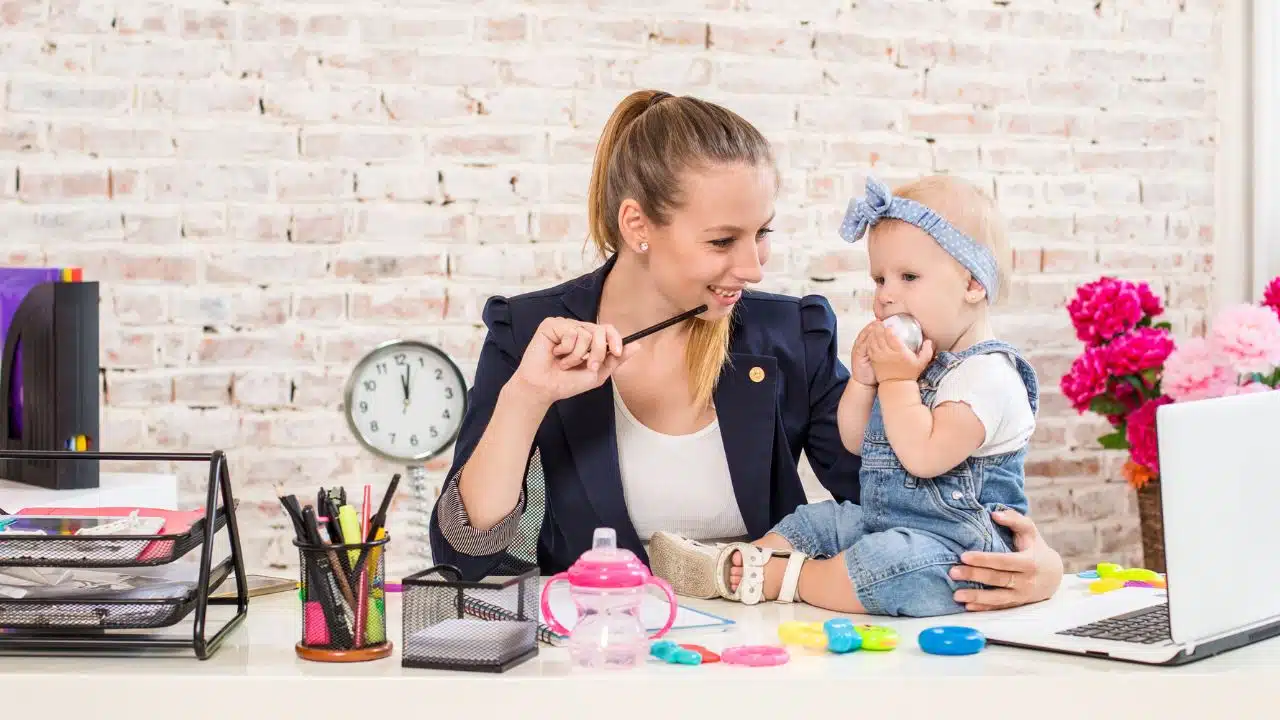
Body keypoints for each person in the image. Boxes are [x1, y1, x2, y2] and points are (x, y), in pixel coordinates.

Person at [427, 89, 1064, 613]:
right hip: (603, 659)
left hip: (765, 660)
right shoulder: (534, 331)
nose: (753, 268)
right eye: (723, 240)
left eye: (761, 234)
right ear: (638, 226)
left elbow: (891, 495)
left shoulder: (789, 335)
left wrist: (1038, 566)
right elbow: (466, 554)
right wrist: (528, 397)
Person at [648, 174, 1049, 617]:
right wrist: (863, 382)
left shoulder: (988, 375)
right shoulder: (918, 365)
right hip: (889, 520)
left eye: (908, 277)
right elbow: (858, 443)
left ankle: (778, 579)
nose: (885, 298)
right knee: (817, 520)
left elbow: (924, 457)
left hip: (958, 547)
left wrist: (896, 382)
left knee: (886, 566)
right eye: (879, 279)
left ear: (973, 284)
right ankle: (741, 562)